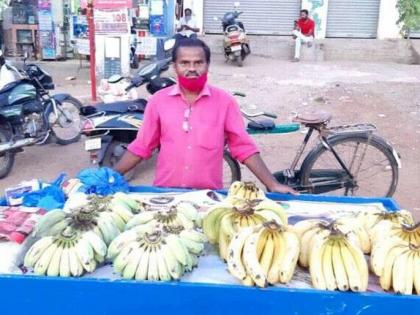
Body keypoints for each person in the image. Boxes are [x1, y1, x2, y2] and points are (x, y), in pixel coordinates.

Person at [115, 39, 296, 195]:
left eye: (198, 63)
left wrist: (272, 184)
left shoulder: (225, 102)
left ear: (207, 65)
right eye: (185, 63)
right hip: (166, 194)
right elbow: (142, 146)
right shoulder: (158, 101)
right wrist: (112, 175)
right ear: (175, 66)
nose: (191, 68)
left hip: (208, 197)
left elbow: (243, 147)